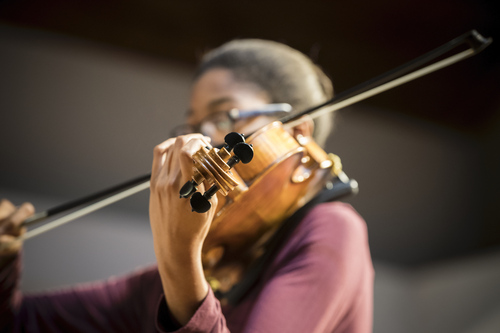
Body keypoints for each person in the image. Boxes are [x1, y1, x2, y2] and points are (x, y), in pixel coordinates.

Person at [0, 39, 374, 332]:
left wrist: (179, 257)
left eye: (223, 116)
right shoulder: (200, 268)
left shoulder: (329, 228)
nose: (203, 142)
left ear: (296, 132)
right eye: (195, 126)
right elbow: (18, 323)